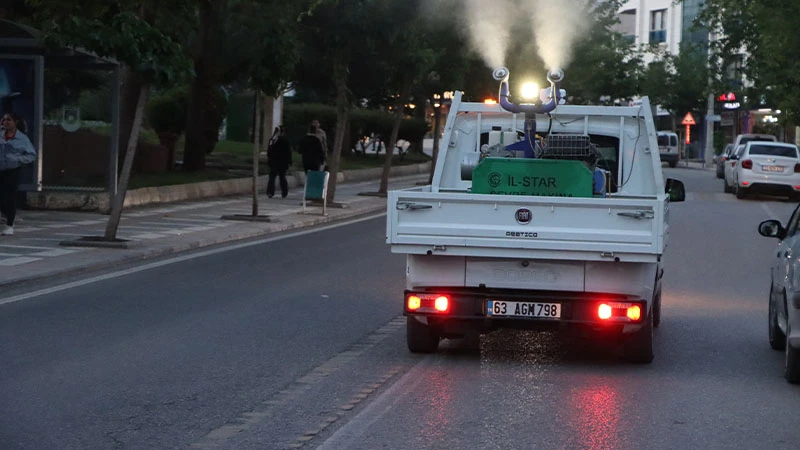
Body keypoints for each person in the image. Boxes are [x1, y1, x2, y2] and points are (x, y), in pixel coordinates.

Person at [0, 112, 36, 236]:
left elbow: (31, 155)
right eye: (4, 120)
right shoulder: (0, 135)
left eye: (8, 120)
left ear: (15, 122)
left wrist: (18, 160)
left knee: (9, 197)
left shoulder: (22, 138)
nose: (5, 122)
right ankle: (4, 215)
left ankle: (9, 224)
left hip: (12, 170)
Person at [266, 126, 291, 198]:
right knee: (281, 176)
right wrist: (289, 161)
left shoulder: (272, 139)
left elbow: (269, 150)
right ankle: (284, 192)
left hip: (274, 161)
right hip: (282, 162)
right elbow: (288, 152)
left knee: (273, 177)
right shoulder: (285, 140)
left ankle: (270, 191)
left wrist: (269, 158)